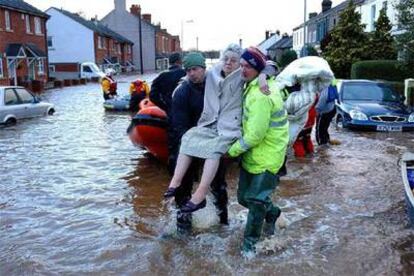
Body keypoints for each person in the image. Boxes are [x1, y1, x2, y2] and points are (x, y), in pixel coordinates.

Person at [164, 45, 276, 214]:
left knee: (216, 172)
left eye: (234, 60)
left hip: (228, 128)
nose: (228, 63)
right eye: (226, 59)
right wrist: (182, 82)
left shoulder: (243, 77)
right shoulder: (210, 75)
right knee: (187, 138)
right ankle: (175, 183)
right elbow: (195, 75)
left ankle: (208, 203)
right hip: (208, 126)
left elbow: (270, 64)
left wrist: (262, 76)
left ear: (241, 64)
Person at [227, 47, 289, 257]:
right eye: (241, 65)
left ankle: (249, 246)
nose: (243, 70)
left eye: (247, 66)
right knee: (244, 198)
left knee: (254, 201)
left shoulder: (261, 94)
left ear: (257, 69)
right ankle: (273, 213)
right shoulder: (253, 85)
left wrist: (232, 151)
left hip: (268, 156)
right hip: (254, 155)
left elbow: (255, 135)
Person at [168, 52, 229, 234]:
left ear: (204, 68)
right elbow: (179, 127)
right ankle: (183, 228)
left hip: (213, 140)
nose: (191, 73)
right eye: (188, 70)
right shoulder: (182, 91)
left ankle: (223, 223)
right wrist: (191, 149)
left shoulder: (216, 82)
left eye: (195, 69)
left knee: (219, 185)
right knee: (183, 188)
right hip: (189, 142)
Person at [315, 80, 339, 146]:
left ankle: (321, 146)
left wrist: (316, 110)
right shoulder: (332, 84)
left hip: (324, 111)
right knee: (324, 128)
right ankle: (327, 142)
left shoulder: (325, 87)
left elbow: (322, 100)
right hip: (331, 109)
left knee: (319, 129)